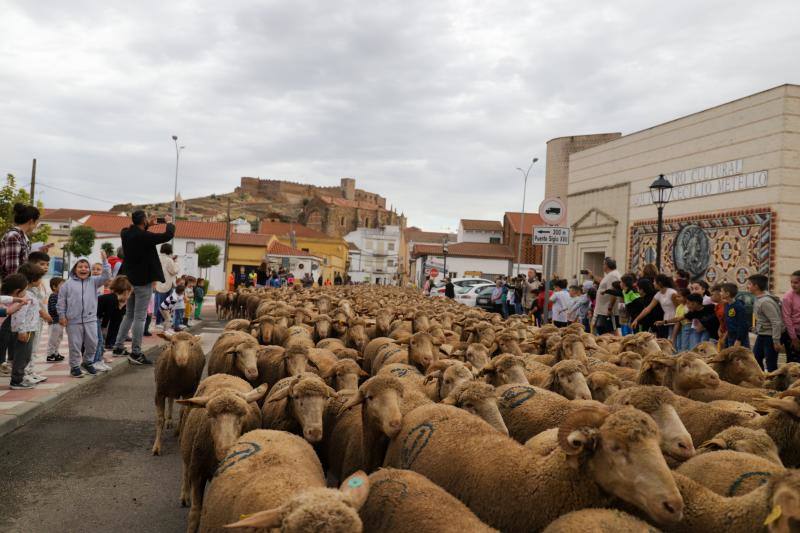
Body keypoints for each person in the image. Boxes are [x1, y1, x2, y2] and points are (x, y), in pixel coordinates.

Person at [113, 211, 175, 365]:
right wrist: (169, 222)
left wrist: (148, 225)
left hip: (129, 280)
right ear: (143, 220)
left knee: (129, 315)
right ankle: (136, 352)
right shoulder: (144, 237)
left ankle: (118, 346)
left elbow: (138, 233)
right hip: (143, 281)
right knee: (140, 317)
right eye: (147, 219)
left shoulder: (125, 233)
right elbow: (166, 236)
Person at [58, 253, 111, 378]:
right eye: (80, 266)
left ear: (89, 269)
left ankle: (87, 362)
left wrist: (105, 261)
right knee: (75, 345)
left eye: (86, 267)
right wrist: (62, 316)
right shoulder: (67, 285)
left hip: (91, 319)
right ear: (74, 269)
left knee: (93, 342)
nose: (83, 269)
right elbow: (61, 302)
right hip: (73, 321)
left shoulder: (94, 281)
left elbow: (107, 276)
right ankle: (75, 366)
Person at [7, 267, 45, 389]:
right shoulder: (24, 297)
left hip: (30, 329)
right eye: (39, 278)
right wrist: (22, 331)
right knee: (21, 357)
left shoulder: (29, 293)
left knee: (26, 356)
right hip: (23, 331)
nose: (40, 281)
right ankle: (16, 381)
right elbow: (19, 316)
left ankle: (20, 378)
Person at [748, 274, 783, 372]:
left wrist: (776, 341)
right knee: (755, 359)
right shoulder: (759, 299)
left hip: (770, 336)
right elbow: (763, 319)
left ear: (756, 286)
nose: (748, 286)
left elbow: (776, 322)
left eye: (750, 284)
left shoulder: (765, 302)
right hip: (762, 334)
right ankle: (762, 380)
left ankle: (774, 385)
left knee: (771, 364)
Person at [96, 275, 132, 370]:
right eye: (129, 294)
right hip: (95, 319)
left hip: (98, 319)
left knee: (100, 341)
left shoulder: (118, 301)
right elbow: (107, 317)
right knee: (99, 340)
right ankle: (96, 359)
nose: (129, 297)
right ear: (126, 292)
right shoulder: (111, 299)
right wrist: (103, 329)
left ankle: (99, 357)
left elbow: (117, 320)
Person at [632, 274, 677, 338]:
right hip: (666, 321)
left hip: (675, 322)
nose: (653, 283)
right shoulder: (658, 294)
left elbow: (678, 308)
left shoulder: (672, 293)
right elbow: (647, 309)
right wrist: (636, 319)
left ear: (659, 283)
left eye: (654, 282)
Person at [587, 257, 621, 335]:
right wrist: (592, 276)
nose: (602, 266)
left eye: (603, 264)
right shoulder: (611, 275)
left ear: (606, 265)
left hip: (607, 311)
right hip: (603, 310)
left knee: (612, 333)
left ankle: (618, 346)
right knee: (603, 331)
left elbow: (614, 293)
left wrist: (609, 308)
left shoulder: (613, 275)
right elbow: (603, 282)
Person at [154, 243, 179, 325]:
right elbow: (174, 271)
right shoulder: (169, 260)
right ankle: (165, 321)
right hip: (168, 285)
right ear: (169, 250)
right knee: (166, 305)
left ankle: (158, 321)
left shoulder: (157, 258)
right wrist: (176, 263)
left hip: (159, 284)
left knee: (159, 304)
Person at [720, 283, 749, 348]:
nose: (720, 293)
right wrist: (725, 336)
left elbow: (742, 325)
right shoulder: (727, 305)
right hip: (730, 336)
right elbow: (729, 322)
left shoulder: (739, 307)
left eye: (721, 291)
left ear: (727, 294)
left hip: (739, 338)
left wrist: (739, 340)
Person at [46, 277, 65, 362]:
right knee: (53, 339)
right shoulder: (54, 296)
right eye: (62, 285)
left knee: (59, 338)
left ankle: (56, 353)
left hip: (59, 321)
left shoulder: (60, 296)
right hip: (55, 321)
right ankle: (50, 354)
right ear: (54, 287)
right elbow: (54, 308)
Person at [783, 270, 800, 364]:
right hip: (793, 335)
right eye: (791, 282)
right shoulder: (788, 297)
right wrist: (794, 338)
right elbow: (787, 318)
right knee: (793, 364)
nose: (793, 285)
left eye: (796, 282)